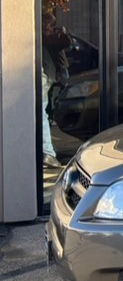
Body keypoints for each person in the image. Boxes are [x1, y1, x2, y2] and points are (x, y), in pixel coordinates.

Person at [41, 15, 72, 168]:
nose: (50, 28)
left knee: (42, 110)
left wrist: (62, 33)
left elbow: (66, 43)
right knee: (42, 110)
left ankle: (47, 151)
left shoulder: (49, 38)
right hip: (49, 74)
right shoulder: (47, 37)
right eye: (49, 25)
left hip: (50, 74)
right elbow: (66, 43)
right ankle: (47, 151)